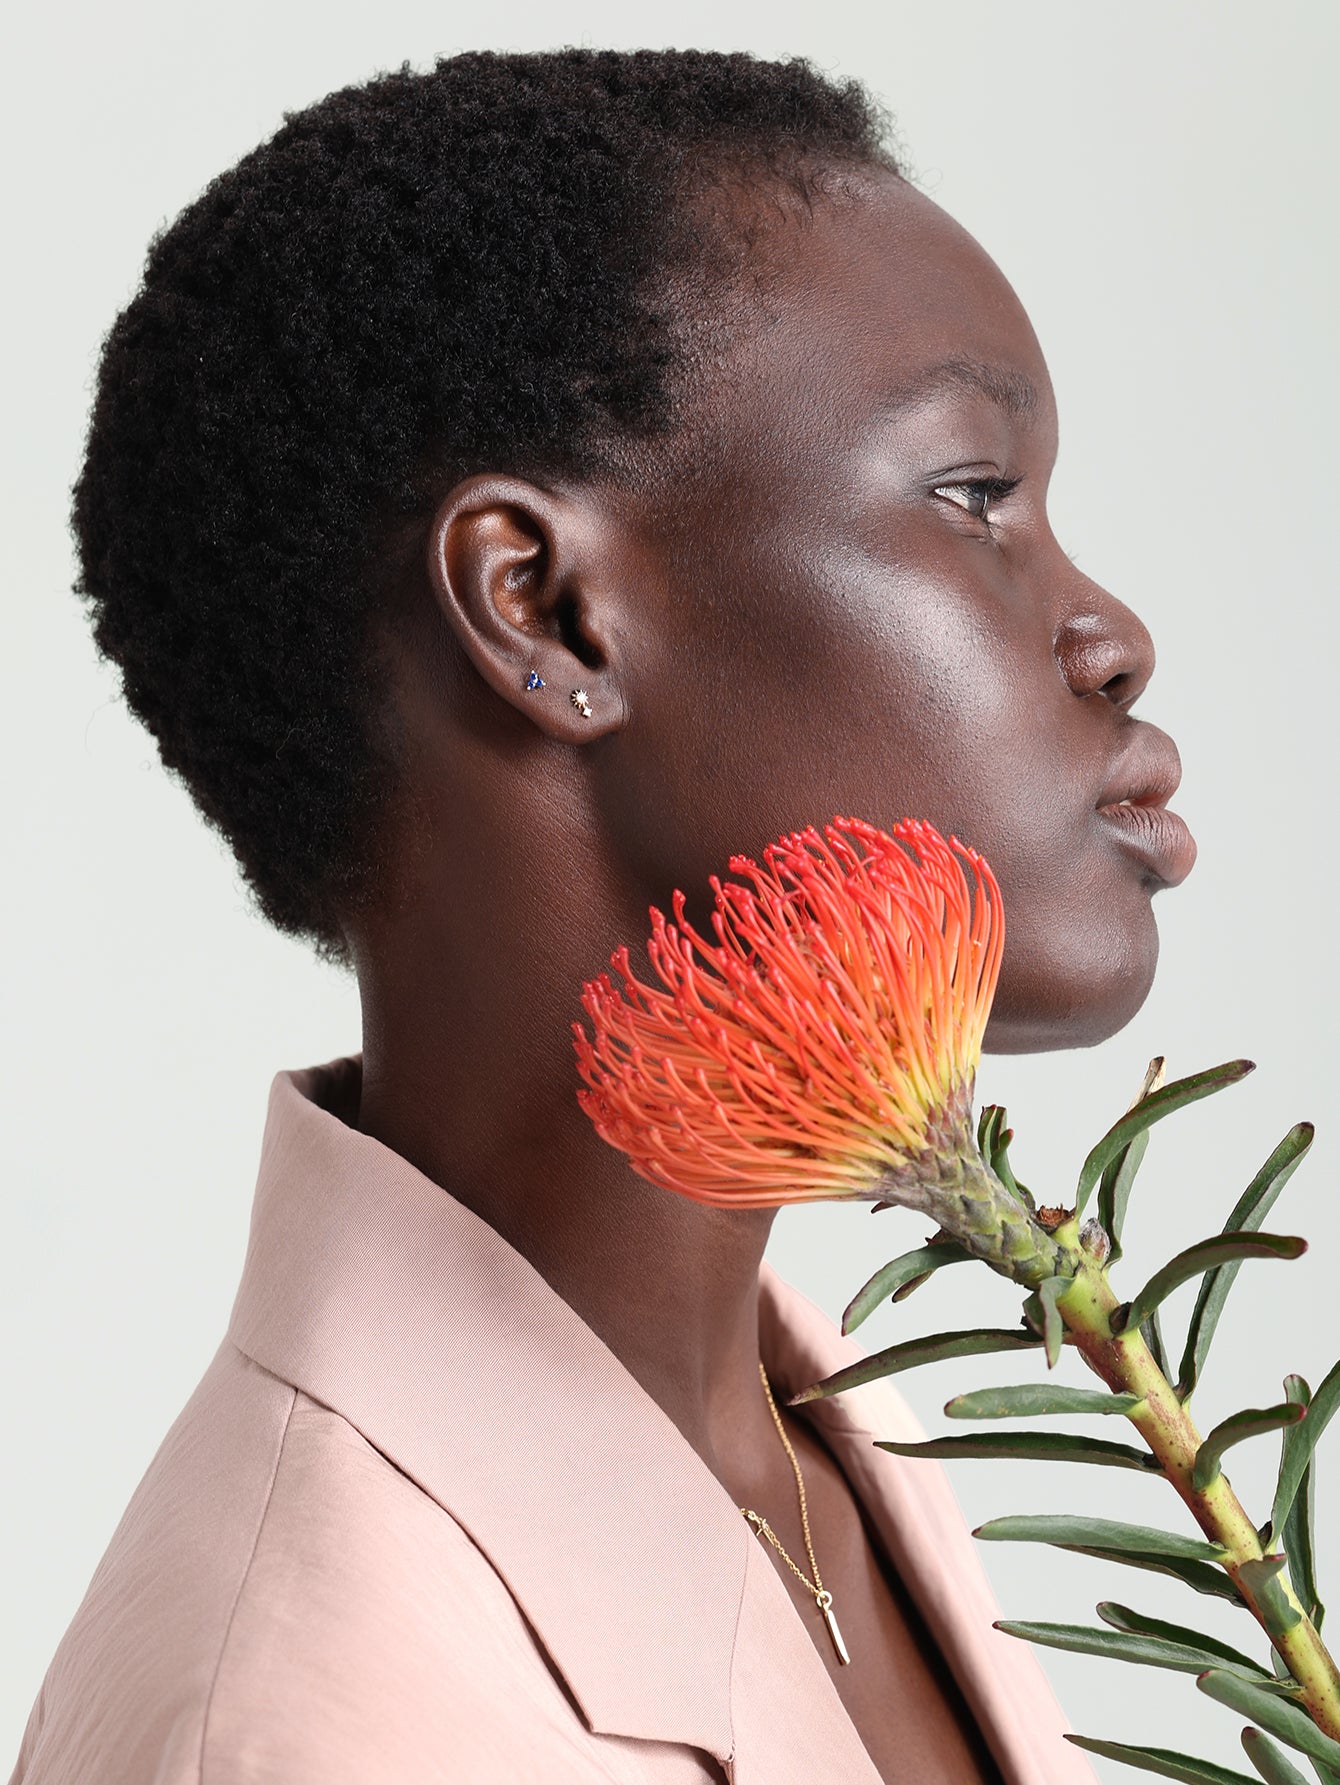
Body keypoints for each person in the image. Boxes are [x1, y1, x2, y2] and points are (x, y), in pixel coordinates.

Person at [10, 46, 1195, 1784]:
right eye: (971, 495)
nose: (1113, 638)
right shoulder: (302, 1715)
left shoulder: (827, 1434)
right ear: (545, 610)